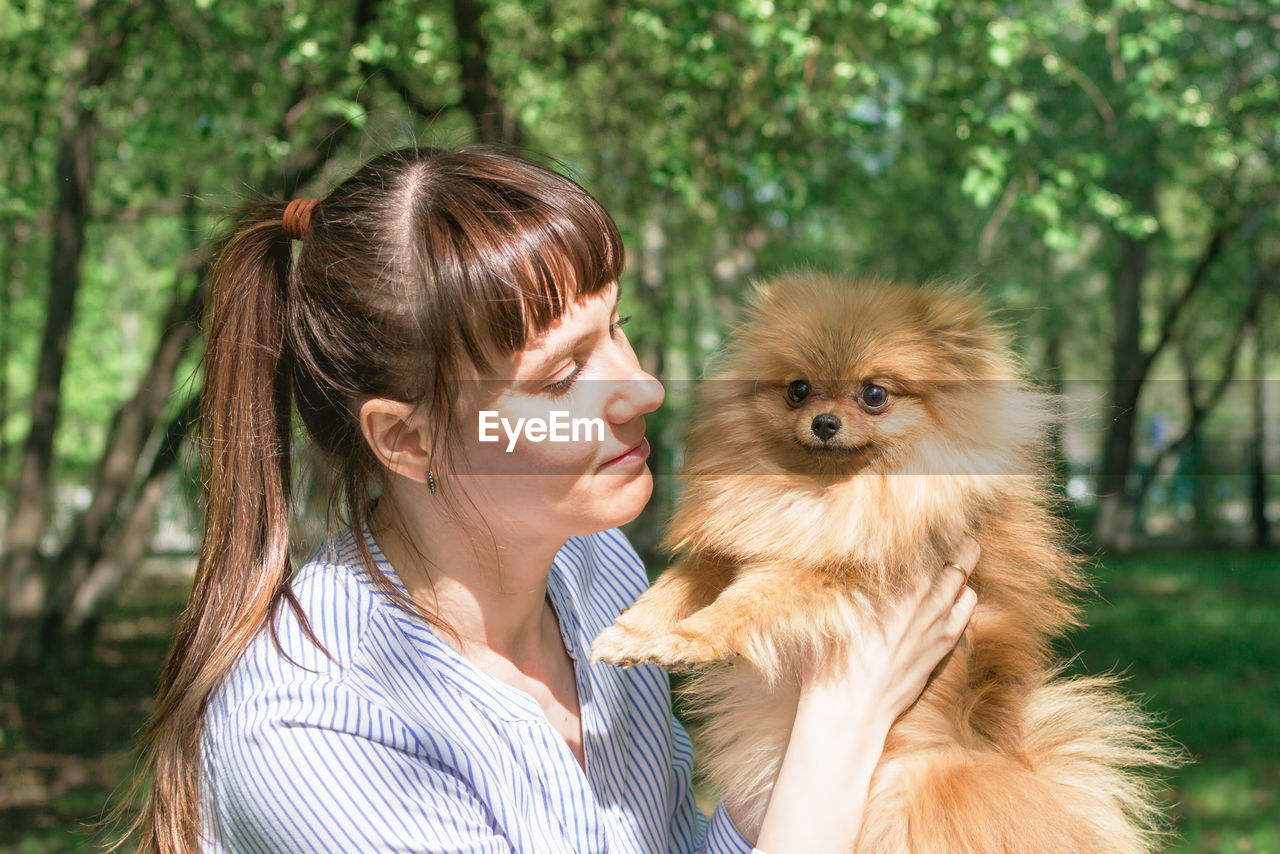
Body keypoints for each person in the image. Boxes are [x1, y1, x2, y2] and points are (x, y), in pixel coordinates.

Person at [127, 146, 979, 853]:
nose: (640, 386)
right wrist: (844, 708)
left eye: (618, 325)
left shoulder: (593, 567)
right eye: (564, 376)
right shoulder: (318, 733)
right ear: (408, 440)